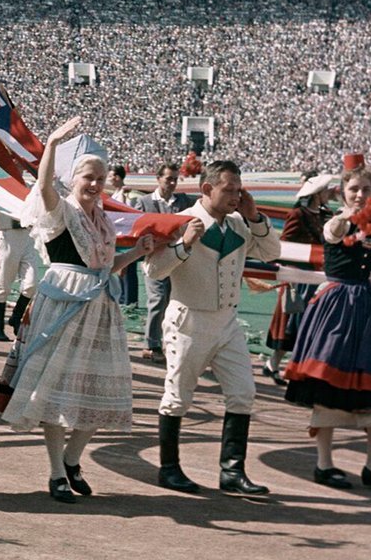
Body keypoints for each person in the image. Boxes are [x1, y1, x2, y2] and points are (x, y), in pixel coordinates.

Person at [1, 117, 156, 503]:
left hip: (100, 308)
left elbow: (104, 267)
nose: (95, 184)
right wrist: (52, 144)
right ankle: (56, 472)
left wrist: (136, 253)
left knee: (100, 389)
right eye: (88, 176)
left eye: (100, 179)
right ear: (72, 178)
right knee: (55, 389)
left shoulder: (102, 219)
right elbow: (42, 186)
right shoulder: (61, 211)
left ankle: (72, 458)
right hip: (64, 305)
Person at [145, 159, 281, 495]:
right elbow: (154, 271)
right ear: (207, 189)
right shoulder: (181, 222)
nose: (236, 195)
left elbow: (271, 252)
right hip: (189, 320)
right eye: (229, 189)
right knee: (177, 397)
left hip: (227, 323)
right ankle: (170, 468)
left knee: (244, 393)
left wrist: (255, 217)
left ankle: (232, 471)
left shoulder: (238, 223)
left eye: (239, 189)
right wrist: (184, 244)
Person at [283, 160, 371, 491]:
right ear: (342, 192)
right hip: (337, 309)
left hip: (368, 308)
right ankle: (324, 463)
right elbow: (336, 233)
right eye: (353, 189)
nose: (359, 194)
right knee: (328, 384)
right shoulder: (336, 222)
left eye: (365, 189)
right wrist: (357, 215)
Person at [264, 173, 332, 382]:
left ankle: (276, 365)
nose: (329, 193)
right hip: (299, 276)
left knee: (304, 323)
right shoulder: (298, 214)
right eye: (325, 190)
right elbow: (286, 245)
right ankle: (281, 365)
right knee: (292, 324)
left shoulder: (324, 214)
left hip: (317, 275)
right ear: (317, 194)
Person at [136, 162, 194, 361]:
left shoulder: (184, 201)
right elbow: (136, 231)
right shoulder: (144, 202)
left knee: (176, 303)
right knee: (158, 300)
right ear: (158, 178)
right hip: (155, 260)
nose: (172, 183)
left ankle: (171, 342)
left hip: (179, 261)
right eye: (168, 178)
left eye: (175, 179)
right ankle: (151, 344)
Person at [0, 209, 39, 341]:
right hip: (8, 233)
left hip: (28, 235)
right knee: (3, 286)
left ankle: (16, 317)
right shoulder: (3, 188)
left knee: (31, 284)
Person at [106, 164, 140, 306]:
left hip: (128, 234)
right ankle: (123, 297)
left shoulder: (129, 195)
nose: (109, 179)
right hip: (117, 234)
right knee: (120, 266)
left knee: (128, 267)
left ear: (117, 177)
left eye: (111, 176)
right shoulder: (115, 194)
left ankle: (131, 299)